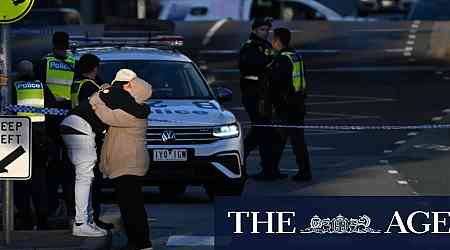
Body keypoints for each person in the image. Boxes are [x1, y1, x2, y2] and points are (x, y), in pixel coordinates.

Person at [60, 69, 149, 237]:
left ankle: (88, 221)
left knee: (86, 176)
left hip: (75, 125)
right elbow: (138, 111)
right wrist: (145, 109)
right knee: (85, 177)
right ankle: (81, 223)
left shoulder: (108, 90)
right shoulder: (118, 94)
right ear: (128, 84)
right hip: (80, 127)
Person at [90, 70, 152, 250]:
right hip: (129, 163)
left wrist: (97, 98)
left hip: (128, 165)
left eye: (126, 86)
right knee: (130, 206)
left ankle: (141, 243)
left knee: (131, 207)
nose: (122, 90)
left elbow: (106, 115)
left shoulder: (133, 113)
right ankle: (137, 241)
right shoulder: (135, 108)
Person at [71, 53, 114, 230]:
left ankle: (86, 217)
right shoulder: (90, 86)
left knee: (81, 178)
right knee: (92, 179)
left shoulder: (77, 83)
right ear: (94, 68)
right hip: (89, 134)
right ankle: (91, 218)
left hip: (75, 130)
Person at [12, 60, 56, 230]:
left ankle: (24, 215)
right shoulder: (40, 87)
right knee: (39, 180)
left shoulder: (11, 87)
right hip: (39, 141)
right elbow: (52, 111)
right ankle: (42, 216)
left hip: (17, 141)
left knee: (20, 180)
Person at [239, 17, 284, 180]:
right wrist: (272, 61)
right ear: (254, 30)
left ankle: (269, 168)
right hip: (253, 94)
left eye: (267, 30)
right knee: (263, 131)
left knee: (261, 132)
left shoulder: (266, 46)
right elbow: (255, 64)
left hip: (265, 94)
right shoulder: (249, 47)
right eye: (262, 30)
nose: (265, 33)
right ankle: (267, 170)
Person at [40, 31, 76, 223]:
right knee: (70, 166)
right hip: (70, 117)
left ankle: (51, 207)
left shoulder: (45, 61)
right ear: (68, 43)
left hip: (51, 119)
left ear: (53, 43)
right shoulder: (73, 61)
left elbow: (39, 86)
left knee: (52, 166)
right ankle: (71, 210)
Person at [268, 27, 312, 182]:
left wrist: (273, 102)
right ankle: (276, 169)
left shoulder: (282, 59)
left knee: (282, 139)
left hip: (286, 106)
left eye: (273, 39)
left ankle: (272, 171)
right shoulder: (296, 56)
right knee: (294, 140)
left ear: (278, 41)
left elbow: (278, 84)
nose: (271, 42)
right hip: (298, 104)